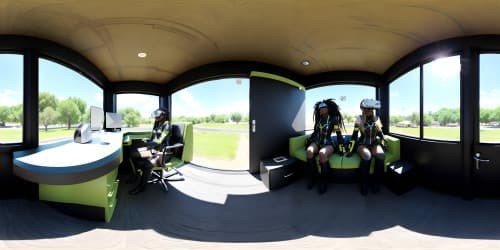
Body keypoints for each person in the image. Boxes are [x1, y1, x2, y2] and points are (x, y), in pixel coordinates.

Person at [345, 99, 386, 196]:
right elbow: (354, 135)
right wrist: (350, 150)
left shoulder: (377, 118)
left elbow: (380, 133)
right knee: (367, 156)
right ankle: (364, 184)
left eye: (371, 109)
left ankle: (376, 183)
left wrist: (384, 141)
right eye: (367, 109)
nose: (369, 110)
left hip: (374, 143)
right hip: (362, 144)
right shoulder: (359, 119)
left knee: (380, 155)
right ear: (362, 109)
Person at [305, 99, 346, 194]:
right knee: (309, 151)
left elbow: (339, 134)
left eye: (323, 107)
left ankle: (324, 181)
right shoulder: (319, 120)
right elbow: (315, 132)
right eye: (320, 108)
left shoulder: (334, 119)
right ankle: (313, 177)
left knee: (322, 153)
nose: (321, 109)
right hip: (317, 142)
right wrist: (309, 140)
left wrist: (341, 146)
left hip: (328, 143)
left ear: (328, 108)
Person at [128, 107, 170, 195]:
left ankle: (142, 187)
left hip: (163, 152)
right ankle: (136, 176)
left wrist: (144, 144)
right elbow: (153, 138)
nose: (156, 117)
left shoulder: (167, 125)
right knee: (132, 154)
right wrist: (146, 141)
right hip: (154, 150)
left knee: (148, 164)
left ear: (163, 115)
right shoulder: (158, 124)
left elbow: (159, 141)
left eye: (158, 115)